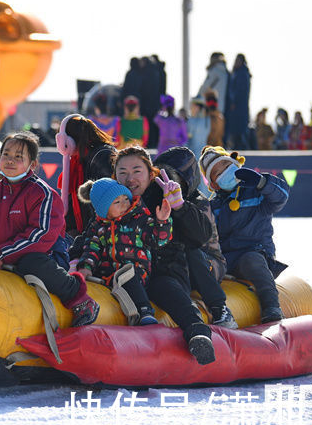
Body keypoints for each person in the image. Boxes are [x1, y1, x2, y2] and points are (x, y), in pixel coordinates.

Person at [0, 131, 100, 327]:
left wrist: (5, 255)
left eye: (18, 157)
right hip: (1, 259)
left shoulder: (42, 193)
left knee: (30, 262)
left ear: (33, 164)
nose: (10, 161)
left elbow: (41, 235)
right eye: (6, 155)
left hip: (45, 257)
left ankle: (78, 298)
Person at [113, 146, 216, 364]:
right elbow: (93, 233)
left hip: (163, 270)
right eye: (122, 172)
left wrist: (179, 206)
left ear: (151, 174)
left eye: (136, 171)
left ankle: (197, 331)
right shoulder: (111, 201)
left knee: (168, 289)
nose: (129, 178)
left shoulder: (165, 197)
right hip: (123, 273)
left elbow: (201, 236)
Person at [199, 146, 289, 324]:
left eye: (226, 167)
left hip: (255, 251)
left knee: (252, 262)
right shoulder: (213, 206)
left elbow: (281, 196)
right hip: (225, 258)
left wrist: (262, 182)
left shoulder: (257, 192)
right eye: (218, 173)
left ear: (236, 165)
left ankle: (272, 306)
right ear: (214, 184)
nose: (225, 172)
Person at [154, 146, 237, 329]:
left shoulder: (198, 203)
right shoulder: (157, 199)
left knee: (189, 251)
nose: (168, 183)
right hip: (177, 265)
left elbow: (197, 238)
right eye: (162, 177)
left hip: (207, 262)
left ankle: (218, 307)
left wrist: (180, 209)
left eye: (174, 178)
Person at [72, 178, 172, 326]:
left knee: (128, 278)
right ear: (104, 210)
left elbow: (158, 240)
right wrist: (85, 268)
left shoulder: (139, 219)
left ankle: (145, 311)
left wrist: (162, 222)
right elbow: (92, 249)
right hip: (108, 275)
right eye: (117, 202)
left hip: (136, 271)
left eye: (126, 198)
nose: (125, 203)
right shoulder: (98, 227)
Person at [54, 113, 117, 239]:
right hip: (86, 232)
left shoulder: (102, 155)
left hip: (102, 233)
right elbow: (71, 201)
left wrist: (90, 234)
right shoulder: (77, 161)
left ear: (68, 141)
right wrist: (71, 229)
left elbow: (104, 200)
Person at [225, 54, 251, 150]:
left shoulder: (242, 74)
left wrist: (233, 102)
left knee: (239, 134)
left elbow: (239, 91)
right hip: (239, 109)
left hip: (239, 109)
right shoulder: (238, 73)